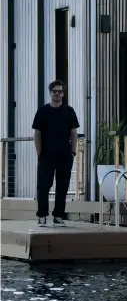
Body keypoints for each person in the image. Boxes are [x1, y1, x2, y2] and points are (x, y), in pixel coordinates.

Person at [32, 80, 80, 226]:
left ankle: (58, 216)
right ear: (50, 93)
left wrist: (73, 151)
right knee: (43, 186)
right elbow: (37, 133)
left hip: (65, 155)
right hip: (46, 155)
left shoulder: (69, 111)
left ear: (63, 94)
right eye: (55, 91)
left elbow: (73, 132)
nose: (57, 94)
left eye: (60, 92)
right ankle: (42, 216)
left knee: (62, 187)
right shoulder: (42, 111)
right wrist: (39, 153)